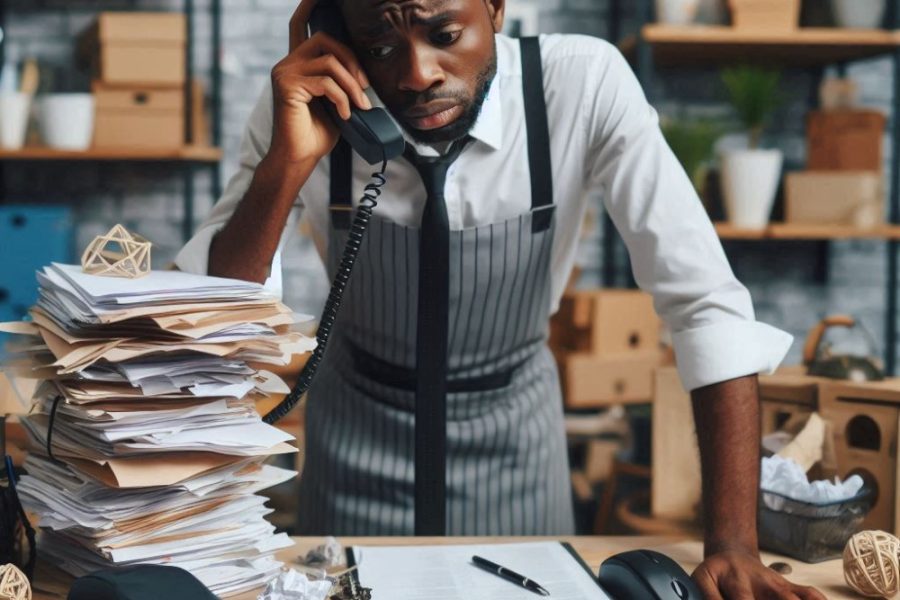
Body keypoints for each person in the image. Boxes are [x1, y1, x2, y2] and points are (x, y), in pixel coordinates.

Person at [175, 0, 826, 597]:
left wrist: (735, 545)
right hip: (354, 440)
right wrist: (289, 163)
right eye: (378, 43)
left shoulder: (581, 84)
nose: (416, 74)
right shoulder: (304, 102)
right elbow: (214, 316)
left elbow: (704, 300)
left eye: (445, 34)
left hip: (517, 439)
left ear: (495, 7)